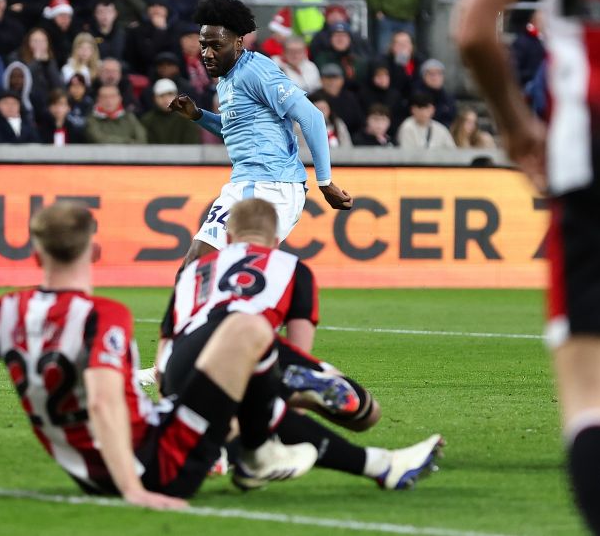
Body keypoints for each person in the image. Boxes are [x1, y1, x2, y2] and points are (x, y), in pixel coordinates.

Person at [0, 201, 316, 505]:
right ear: (94, 251)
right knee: (246, 333)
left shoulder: (4, 310)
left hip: (89, 476)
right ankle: (263, 452)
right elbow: (102, 402)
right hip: (158, 465)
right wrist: (134, 489)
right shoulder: (104, 314)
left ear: (35, 257)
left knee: (218, 390)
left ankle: (321, 449)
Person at [157, 199, 444, 488]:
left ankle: (236, 448)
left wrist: (168, 397)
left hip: (183, 361)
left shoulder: (194, 271)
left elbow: (164, 351)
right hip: (249, 343)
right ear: (276, 241)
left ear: (228, 239)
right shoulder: (291, 267)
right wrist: (293, 408)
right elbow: (299, 348)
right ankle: (257, 440)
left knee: (233, 411)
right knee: (365, 412)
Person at [169, 0, 352, 266]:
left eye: (216, 45)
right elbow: (235, 129)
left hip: (270, 185)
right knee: (199, 268)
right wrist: (198, 116)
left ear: (239, 42)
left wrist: (325, 182)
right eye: (203, 45)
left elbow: (311, 116)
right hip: (247, 183)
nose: (207, 53)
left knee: (213, 269)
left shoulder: (256, 71)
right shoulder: (228, 78)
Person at [141, 78, 202, 145]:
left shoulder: (187, 118)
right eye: (161, 96)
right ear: (154, 98)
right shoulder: (147, 120)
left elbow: (192, 145)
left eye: (170, 94)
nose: (166, 99)